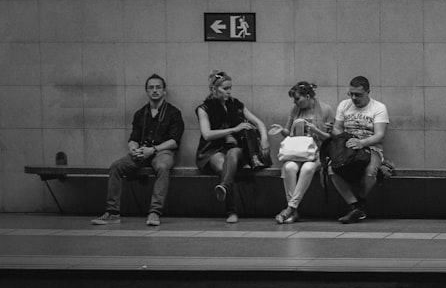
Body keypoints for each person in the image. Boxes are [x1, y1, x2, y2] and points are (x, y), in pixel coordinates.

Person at [91, 74, 184, 227]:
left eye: (158, 87)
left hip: (162, 152)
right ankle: (112, 213)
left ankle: (155, 212)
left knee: (162, 166)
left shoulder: (174, 113)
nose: (155, 90)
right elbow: (133, 137)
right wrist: (133, 148)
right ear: (146, 91)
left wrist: (153, 149)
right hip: (142, 152)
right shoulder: (140, 113)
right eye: (151, 88)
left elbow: (174, 141)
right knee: (116, 166)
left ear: (164, 91)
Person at [195, 71, 269, 224]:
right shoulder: (204, 108)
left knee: (233, 153)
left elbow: (259, 123)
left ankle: (223, 186)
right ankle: (231, 211)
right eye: (225, 89)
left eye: (230, 88)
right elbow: (207, 134)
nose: (229, 92)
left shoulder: (236, 104)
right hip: (211, 150)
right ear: (214, 89)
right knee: (225, 167)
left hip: (235, 148)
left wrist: (265, 140)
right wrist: (233, 129)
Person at [269, 81, 335, 224]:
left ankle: (290, 208)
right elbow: (289, 133)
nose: (295, 102)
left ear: (307, 95)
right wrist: (281, 130)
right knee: (289, 167)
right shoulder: (295, 110)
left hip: (318, 152)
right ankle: (293, 212)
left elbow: (330, 138)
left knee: (308, 168)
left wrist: (316, 130)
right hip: (298, 152)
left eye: (297, 98)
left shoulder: (326, 109)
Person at [327, 76, 389, 224]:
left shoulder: (378, 108)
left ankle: (359, 202)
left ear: (368, 92)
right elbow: (337, 128)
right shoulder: (344, 105)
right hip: (346, 147)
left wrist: (362, 143)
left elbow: (379, 135)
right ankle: (354, 205)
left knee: (370, 172)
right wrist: (343, 137)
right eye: (351, 94)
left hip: (370, 146)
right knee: (331, 169)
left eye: (358, 95)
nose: (354, 98)